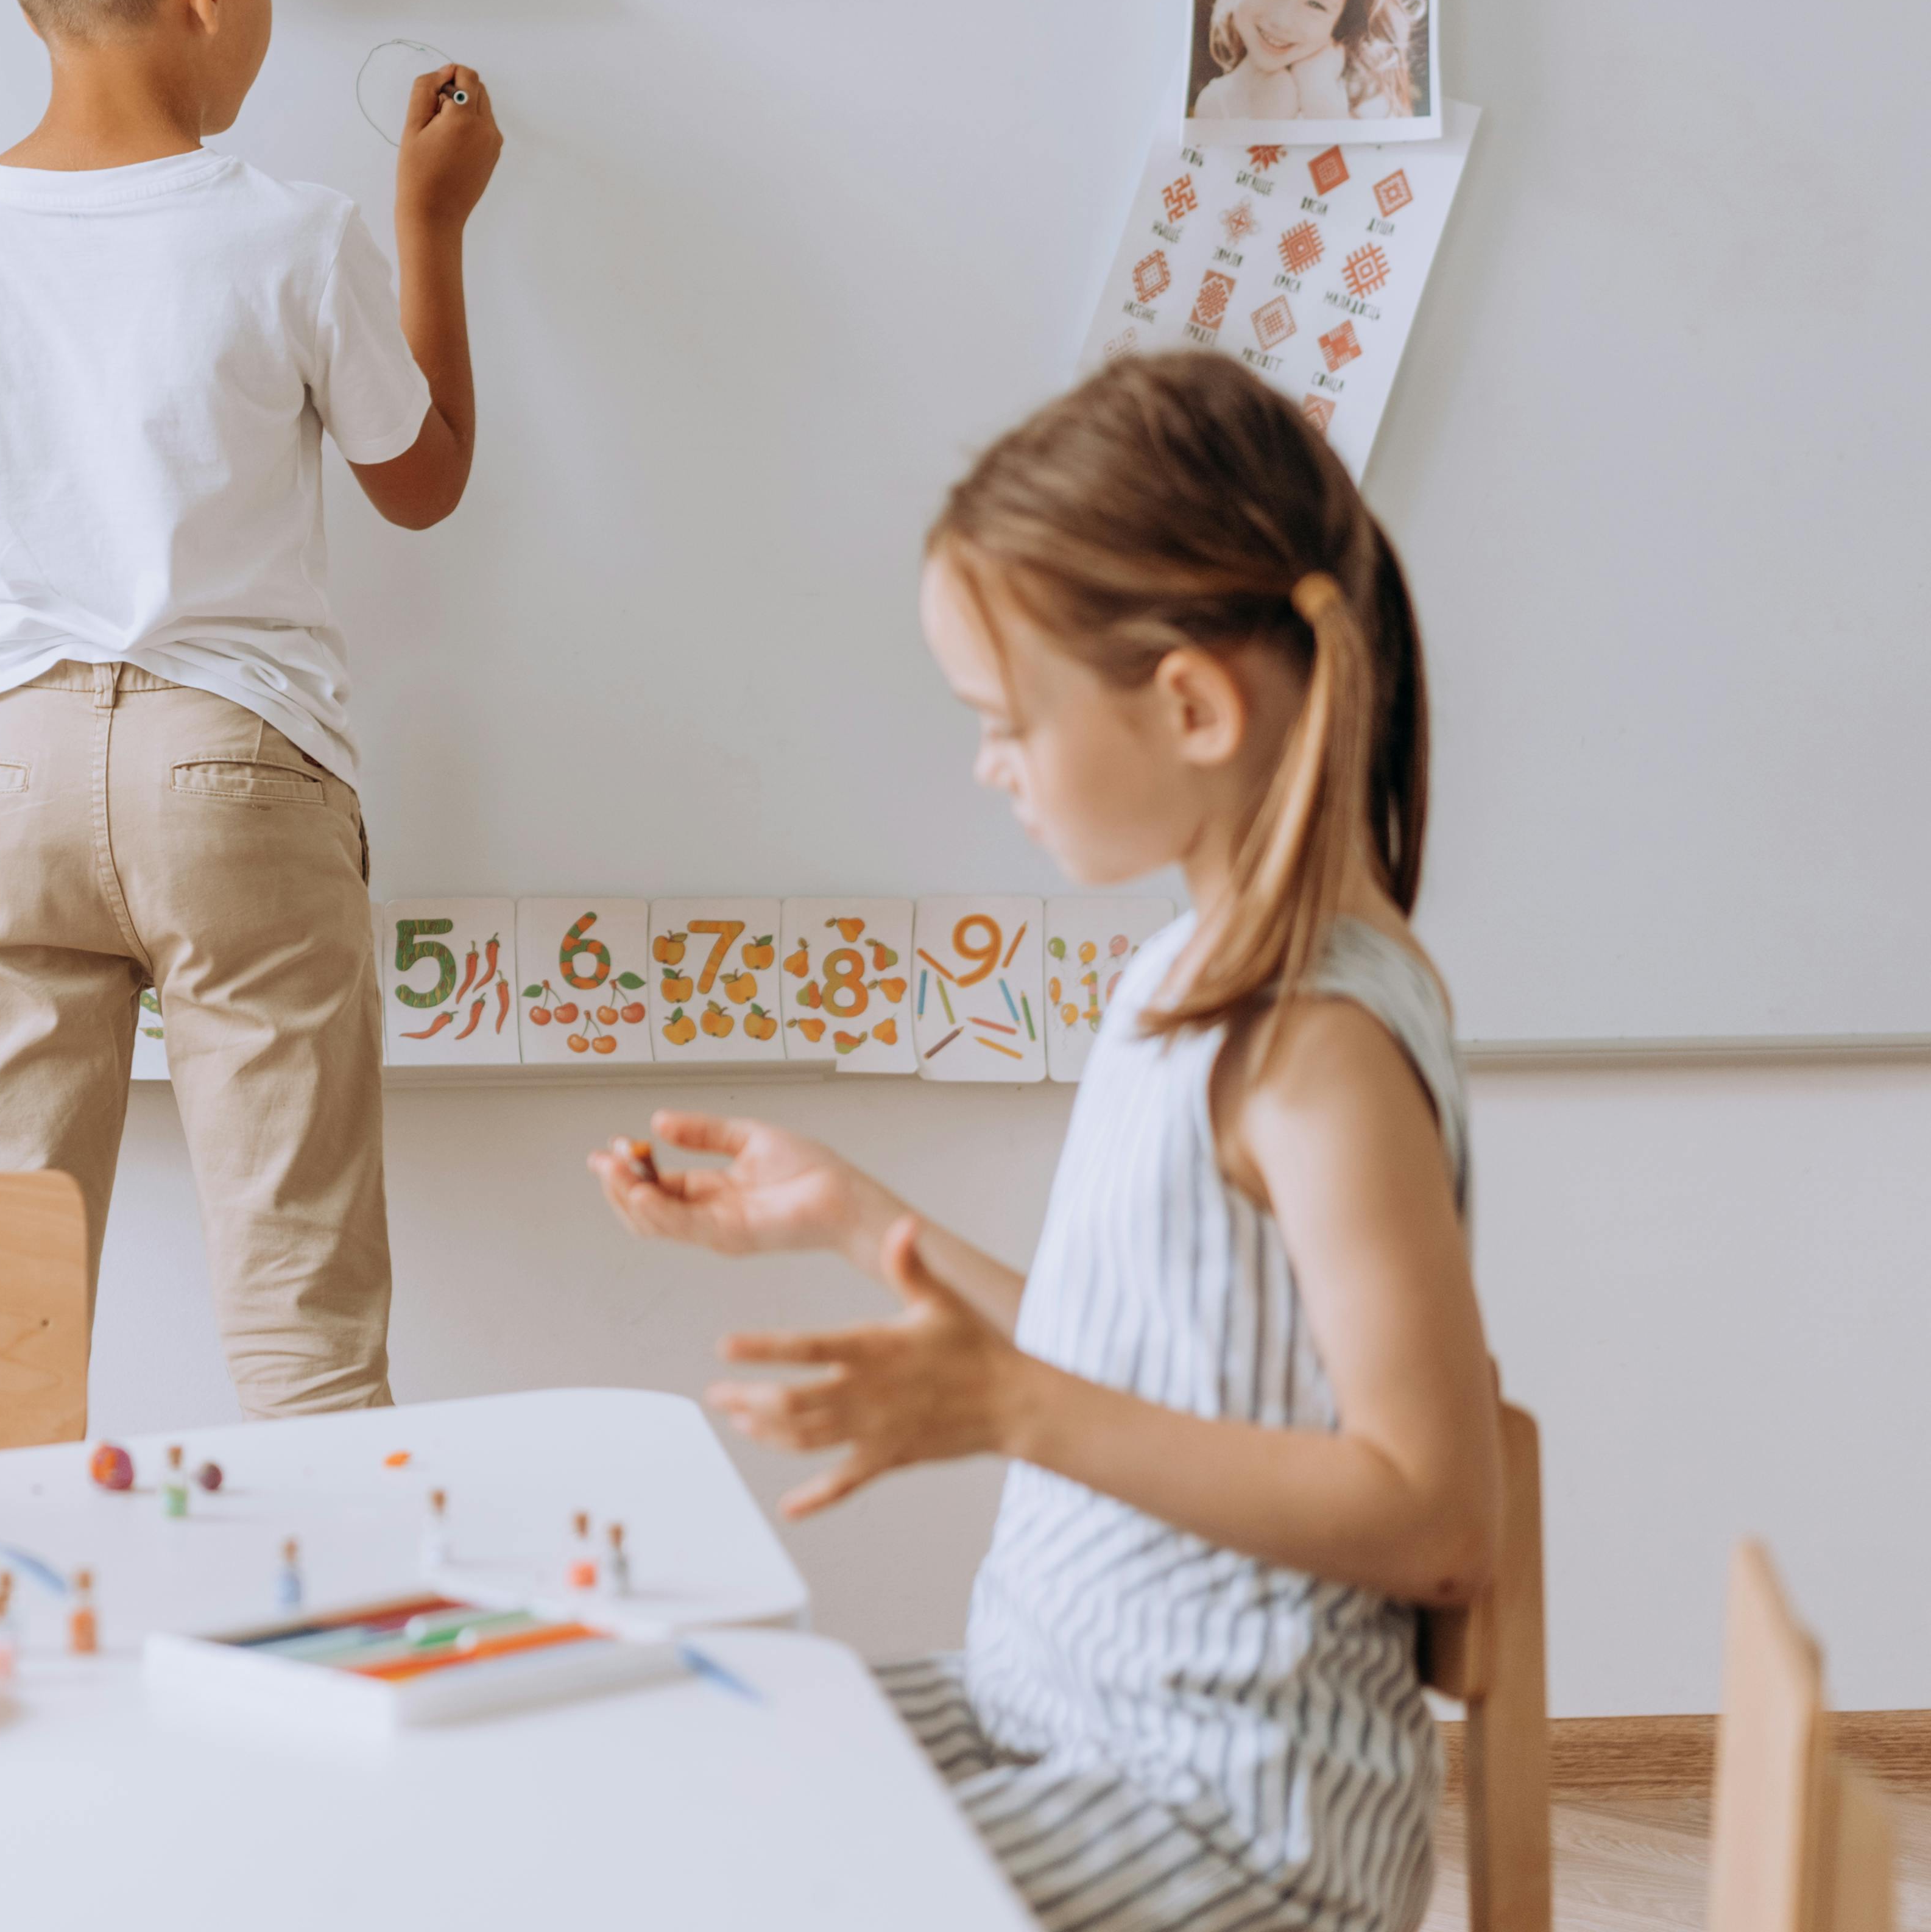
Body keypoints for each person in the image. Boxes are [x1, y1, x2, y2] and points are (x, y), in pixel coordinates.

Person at [593, 352, 1496, 1932]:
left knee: (741, 1885)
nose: (988, 763)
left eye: (1006, 719)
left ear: (1195, 706)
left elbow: (1436, 1515)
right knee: (660, 1777)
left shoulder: (1322, 1049)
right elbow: (1155, 1357)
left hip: (1237, 1820)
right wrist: (851, 1215)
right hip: (1056, 1710)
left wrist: (1011, 1409)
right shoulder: (1184, 979)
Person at [0, 0, 502, 1415]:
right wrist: (433, 226)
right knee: (304, 1331)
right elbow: (424, 480)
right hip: (236, 765)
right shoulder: (293, 231)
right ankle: (335, 1650)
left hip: (8, 776)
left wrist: (10, 625)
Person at [1193, 0, 1417, 123]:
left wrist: (1319, 96)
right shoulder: (1216, 103)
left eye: (1316, 5)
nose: (1283, 21)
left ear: (1341, 16)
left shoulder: (1367, 93)